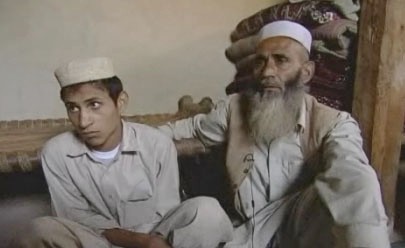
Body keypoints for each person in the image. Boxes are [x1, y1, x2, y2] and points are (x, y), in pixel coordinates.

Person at [158, 21, 390, 248]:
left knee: (357, 180)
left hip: (302, 232)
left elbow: (351, 176)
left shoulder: (334, 122)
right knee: (202, 210)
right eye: (261, 62)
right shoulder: (234, 109)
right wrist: (128, 136)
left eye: (281, 60)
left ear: (306, 72)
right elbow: (180, 132)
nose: (267, 71)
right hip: (246, 235)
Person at [16, 57, 233, 248]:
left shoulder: (157, 144)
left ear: (120, 102)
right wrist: (138, 242)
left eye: (94, 105)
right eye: (73, 107)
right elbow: (75, 217)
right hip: (97, 241)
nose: (83, 121)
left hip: (156, 237)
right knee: (39, 229)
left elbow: (167, 212)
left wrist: (150, 241)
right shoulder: (56, 153)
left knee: (207, 211)